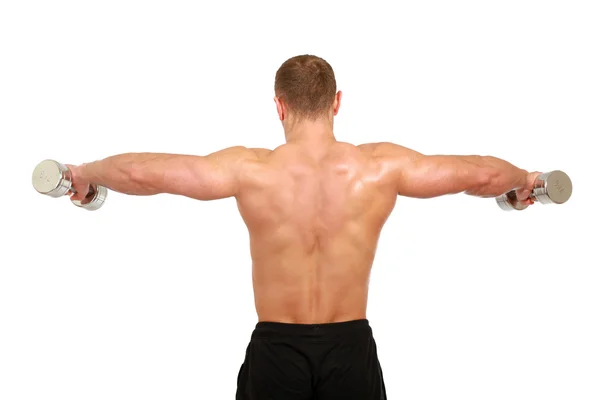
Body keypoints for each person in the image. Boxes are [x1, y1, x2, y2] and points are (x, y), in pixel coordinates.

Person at [67, 54, 541, 399]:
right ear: (337, 102)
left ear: (279, 106)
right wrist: (524, 182)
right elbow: (478, 173)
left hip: (277, 352)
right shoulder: (381, 166)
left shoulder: (249, 169)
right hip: (350, 350)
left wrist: (85, 174)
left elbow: (142, 172)